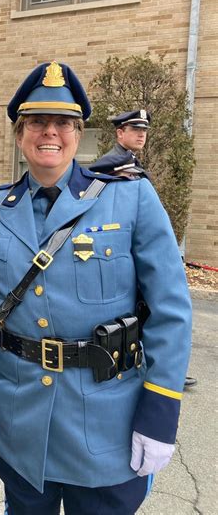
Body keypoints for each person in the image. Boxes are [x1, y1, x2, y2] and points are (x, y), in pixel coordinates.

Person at [0, 61, 192, 515]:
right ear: (20, 134)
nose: (48, 132)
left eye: (62, 123)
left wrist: (161, 411)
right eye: (36, 122)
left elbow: (170, 310)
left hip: (105, 422)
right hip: (17, 419)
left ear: (78, 135)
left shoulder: (131, 197)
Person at [89, 112, 197, 388]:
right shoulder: (108, 168)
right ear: (119, 133)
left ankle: (162, 368)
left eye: (144, 130)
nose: (141, 135)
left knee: (152, 309)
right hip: (118, 249)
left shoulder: (133, 165)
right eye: (134, 129)